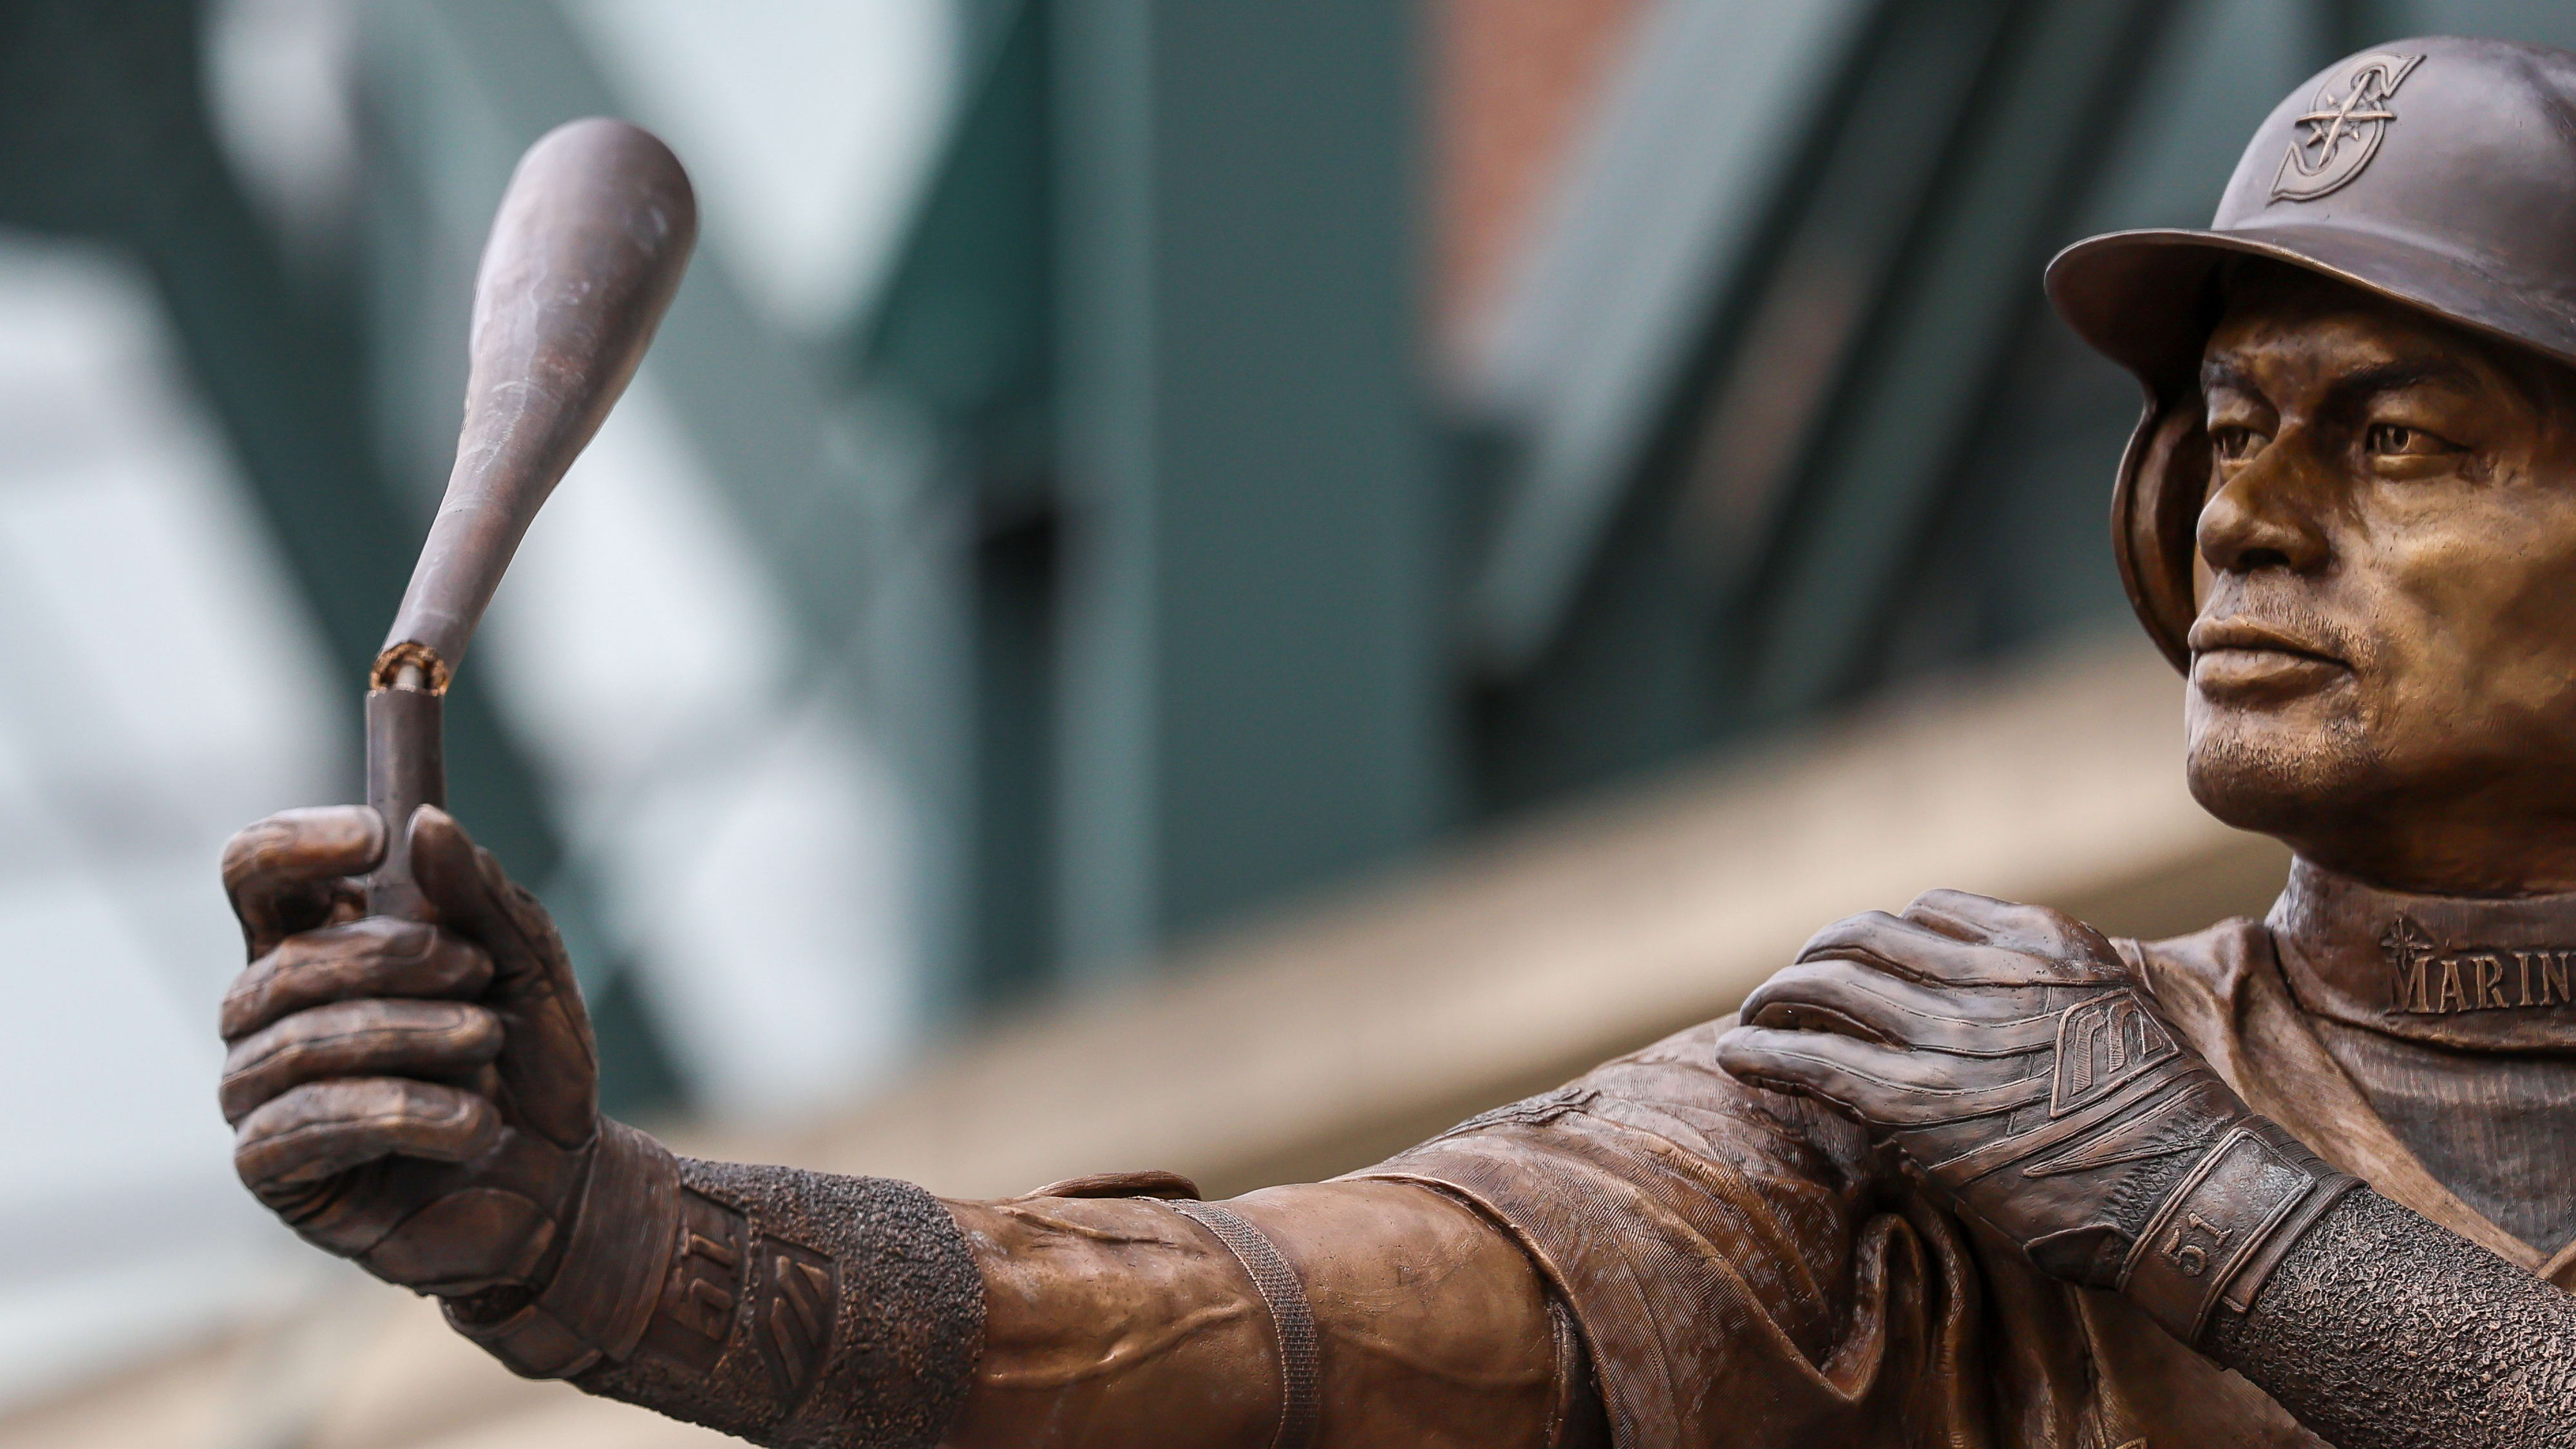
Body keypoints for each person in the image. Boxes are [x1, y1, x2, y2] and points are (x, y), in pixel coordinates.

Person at [217, 35, 2576, 1449]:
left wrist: (2206, 1206)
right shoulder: (1992, 1083)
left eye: (2391, 440)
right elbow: (1269, 1332)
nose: (2250, 510)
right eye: (2233, 428)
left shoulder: (2096, 1127)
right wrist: (608, 1237)